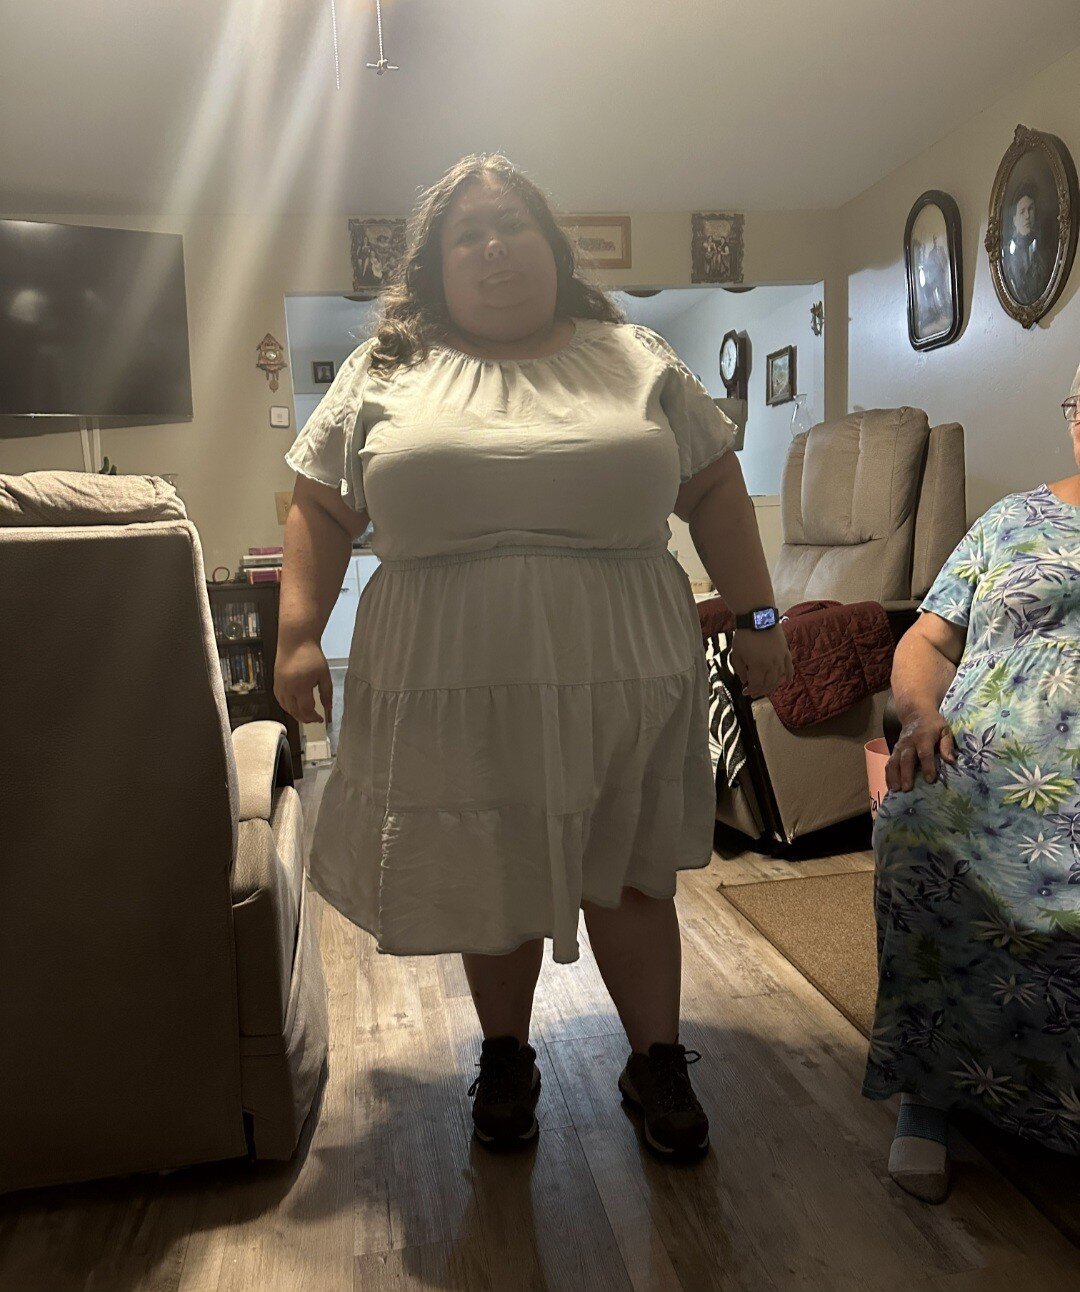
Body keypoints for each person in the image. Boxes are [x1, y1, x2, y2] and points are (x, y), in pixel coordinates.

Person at [276, 152, 792, 1162]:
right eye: (467, 232)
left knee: (635, 870)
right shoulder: (383, 369)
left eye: (512, 225)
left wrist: (764, 621)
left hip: (625, 666)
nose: (494, 247)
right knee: (487, 857)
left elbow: (718, 491)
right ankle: (507, 1054)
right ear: (433, 265)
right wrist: (298, 632)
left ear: (553, 251)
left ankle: (658, 1059)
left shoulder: (637, 354)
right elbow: (322, 504)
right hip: (449, 678)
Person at [863, 361, 1080, 1203]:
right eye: (1077, 404)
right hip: (984, 760)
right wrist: (919, 717)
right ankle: (930, 1092)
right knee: (921, 840)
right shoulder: (1011, 519)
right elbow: (927, 641)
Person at [1003, 186, 1052, 305]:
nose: (1027, 216)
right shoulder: (1006, 255)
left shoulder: (1045, 252)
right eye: (1022, 212)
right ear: (1014, 220)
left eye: (1030, 209)